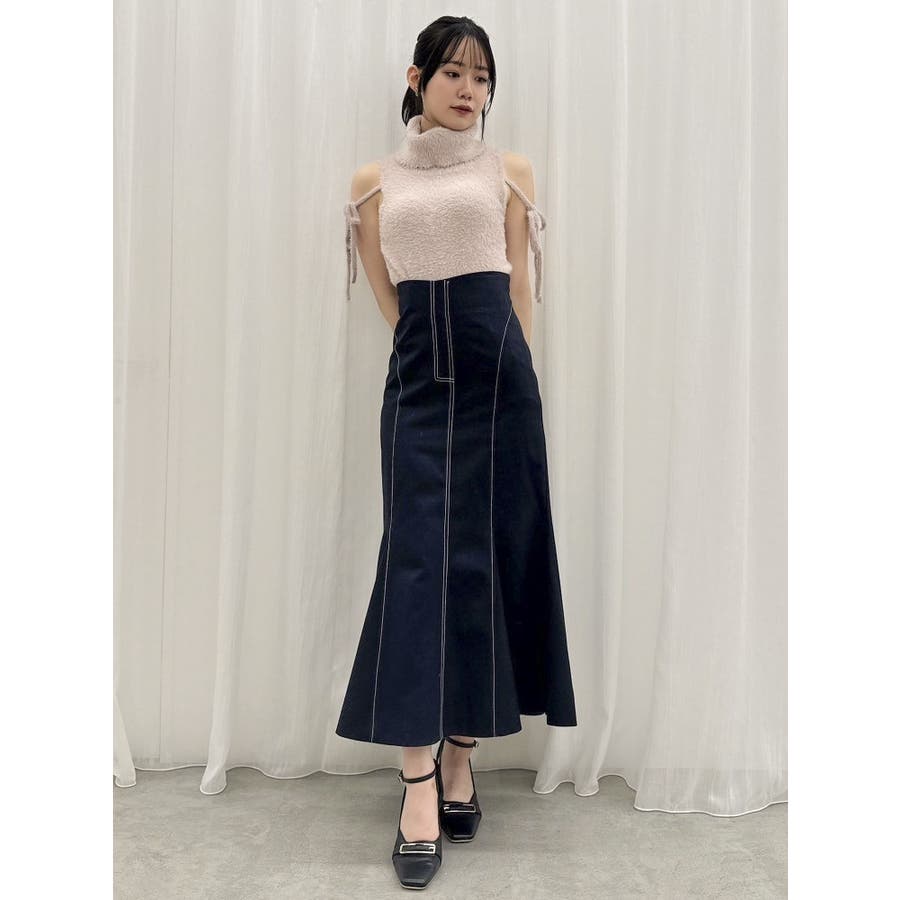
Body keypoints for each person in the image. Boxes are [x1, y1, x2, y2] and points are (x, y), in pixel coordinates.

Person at [336, 15, 577, 890]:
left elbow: (520, 284)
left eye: (482, 77)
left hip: (499, 378)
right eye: (453, 73)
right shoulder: (374, 182)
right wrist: (425, 351)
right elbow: (385, 289)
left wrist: (510, 370)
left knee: (487, 559)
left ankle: (463, 755)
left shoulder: (508, 170)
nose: (470, 90)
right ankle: (416, 782)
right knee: (416, 567)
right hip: (418, 384)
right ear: (418, 78)